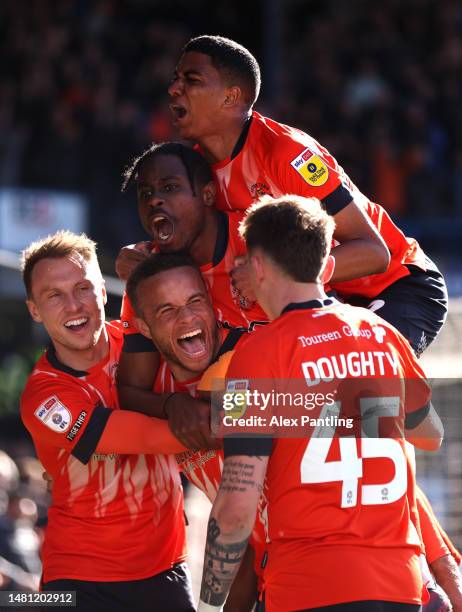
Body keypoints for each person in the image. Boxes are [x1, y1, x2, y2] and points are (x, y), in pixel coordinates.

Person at [197, 195, 443, 612]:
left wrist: (209, 605)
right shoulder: (383, 334)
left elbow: (237, 506)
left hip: (310, 587)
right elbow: (430, 435)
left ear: (257, 266)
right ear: (326, 264)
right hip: (399, 586)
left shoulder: (255, 354)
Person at [168, 35, 448, 356]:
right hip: (325, 299)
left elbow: (374, 252)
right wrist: (147, 254)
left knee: (359, 383)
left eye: (191, 80)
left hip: (398, 284)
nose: (174, 89)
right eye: (175, 78)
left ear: (231, 97)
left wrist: (276, 274)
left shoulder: (289, 152)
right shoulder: (196, 171)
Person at [19, 231, 195, 612]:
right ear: (34, 309)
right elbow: (152, 438)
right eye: (54, 295)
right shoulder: (43, 396)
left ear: (104, 290)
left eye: (83, 288)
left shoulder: (144, 341)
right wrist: (260, 414)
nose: (73, 306)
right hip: (80, 582)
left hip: (166, 569)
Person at [125, 251, 263, 611]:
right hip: (268, 561)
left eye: (194, 300)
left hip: (326, 555)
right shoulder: (154, 388)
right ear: (143, 328)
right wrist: (170, 405)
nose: (186, 317)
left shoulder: (249, 357)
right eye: (166, 310)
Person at [116, 142, 267, 447]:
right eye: (145, 194)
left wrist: (276, 274)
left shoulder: (262, 242)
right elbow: (131, 389)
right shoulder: (148, 278)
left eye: (169, 187)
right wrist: (171, 404)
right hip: (238, 434)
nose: (155, 200)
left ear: (208, 195)